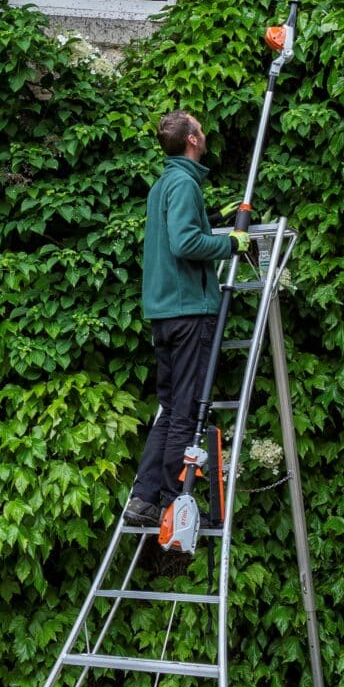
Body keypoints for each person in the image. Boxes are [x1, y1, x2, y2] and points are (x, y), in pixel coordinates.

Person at [124, 110, 251, 527]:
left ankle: (142, 498)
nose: (204, 131)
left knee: (168, 408)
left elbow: (180, 231)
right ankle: (167, 501)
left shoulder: (164, 185)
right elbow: (184, 243)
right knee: (185, 411)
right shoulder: (182, 182)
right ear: (193, 140)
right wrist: (230, 244)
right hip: (189, 312)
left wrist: (214, 220)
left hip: (164, 313)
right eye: (201, 127)